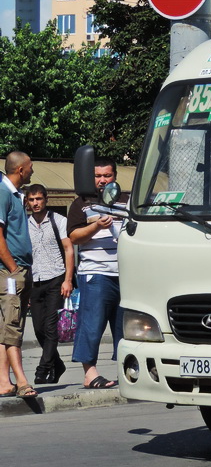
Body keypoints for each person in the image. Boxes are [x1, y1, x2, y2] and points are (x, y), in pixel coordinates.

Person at [68, 158, 127, 389]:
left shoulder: (127, 200)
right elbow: (74, 237)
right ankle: (89, 373)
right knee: (91, 324)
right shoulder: (81, 204)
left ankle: (128, 370)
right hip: (95, 272)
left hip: (126, 273)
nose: (102, 180)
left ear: (115, 175)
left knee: (127, 326)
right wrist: (95, 227)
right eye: (98, 176)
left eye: (107, 175)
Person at [25, 183, 74, 385]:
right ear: (27, 202)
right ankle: (57, 364)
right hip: (35, 281)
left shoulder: (58, 220)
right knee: (38, 328)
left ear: (45, 199)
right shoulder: (24, 224)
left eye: (39, 199)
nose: (36, 203)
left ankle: (43, 369)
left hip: (56, 278)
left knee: (51, 328)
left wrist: (68, 280)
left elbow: (69, 250)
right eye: (32, 199)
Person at [0, 151, 36, 398]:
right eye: (30, 167)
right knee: (13, 327)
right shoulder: (3, 193)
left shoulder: (14, 194)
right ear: (21, 169)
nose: (33, 171)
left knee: (7, 327)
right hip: (10, 271)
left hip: (19, 269)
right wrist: (13, 269)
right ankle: (22, 381)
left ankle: (4, 382)